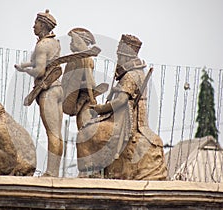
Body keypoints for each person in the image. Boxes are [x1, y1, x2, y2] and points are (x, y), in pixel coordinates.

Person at [77, 34, 167, 180]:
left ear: (126, 56)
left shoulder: (131, 75)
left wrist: (100, 108)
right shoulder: (130, 73)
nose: (118, 58)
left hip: (126, 121)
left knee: (87, 131)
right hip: (119, 116)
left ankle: (92, 171)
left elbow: (120, 101)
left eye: (120, 55)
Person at [14, 9, 63, 177]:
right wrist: (25, 65)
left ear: (42, 25)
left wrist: (27, 72)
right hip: (58, 88)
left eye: (36, 23)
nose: (33, 26)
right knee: (57, 132)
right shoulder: (55, 43)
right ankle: (54, 170)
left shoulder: (41, 45)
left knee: (52, 133)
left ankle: (51, 172)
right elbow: (42, 61)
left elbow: (40, 71)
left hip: (48, 90)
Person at [61, 28, 97, 129]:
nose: (70, 43)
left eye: (73, 40)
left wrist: (78, 86)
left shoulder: (85, 59)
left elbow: (92, 84)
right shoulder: (77, 58)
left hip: (84, 102)